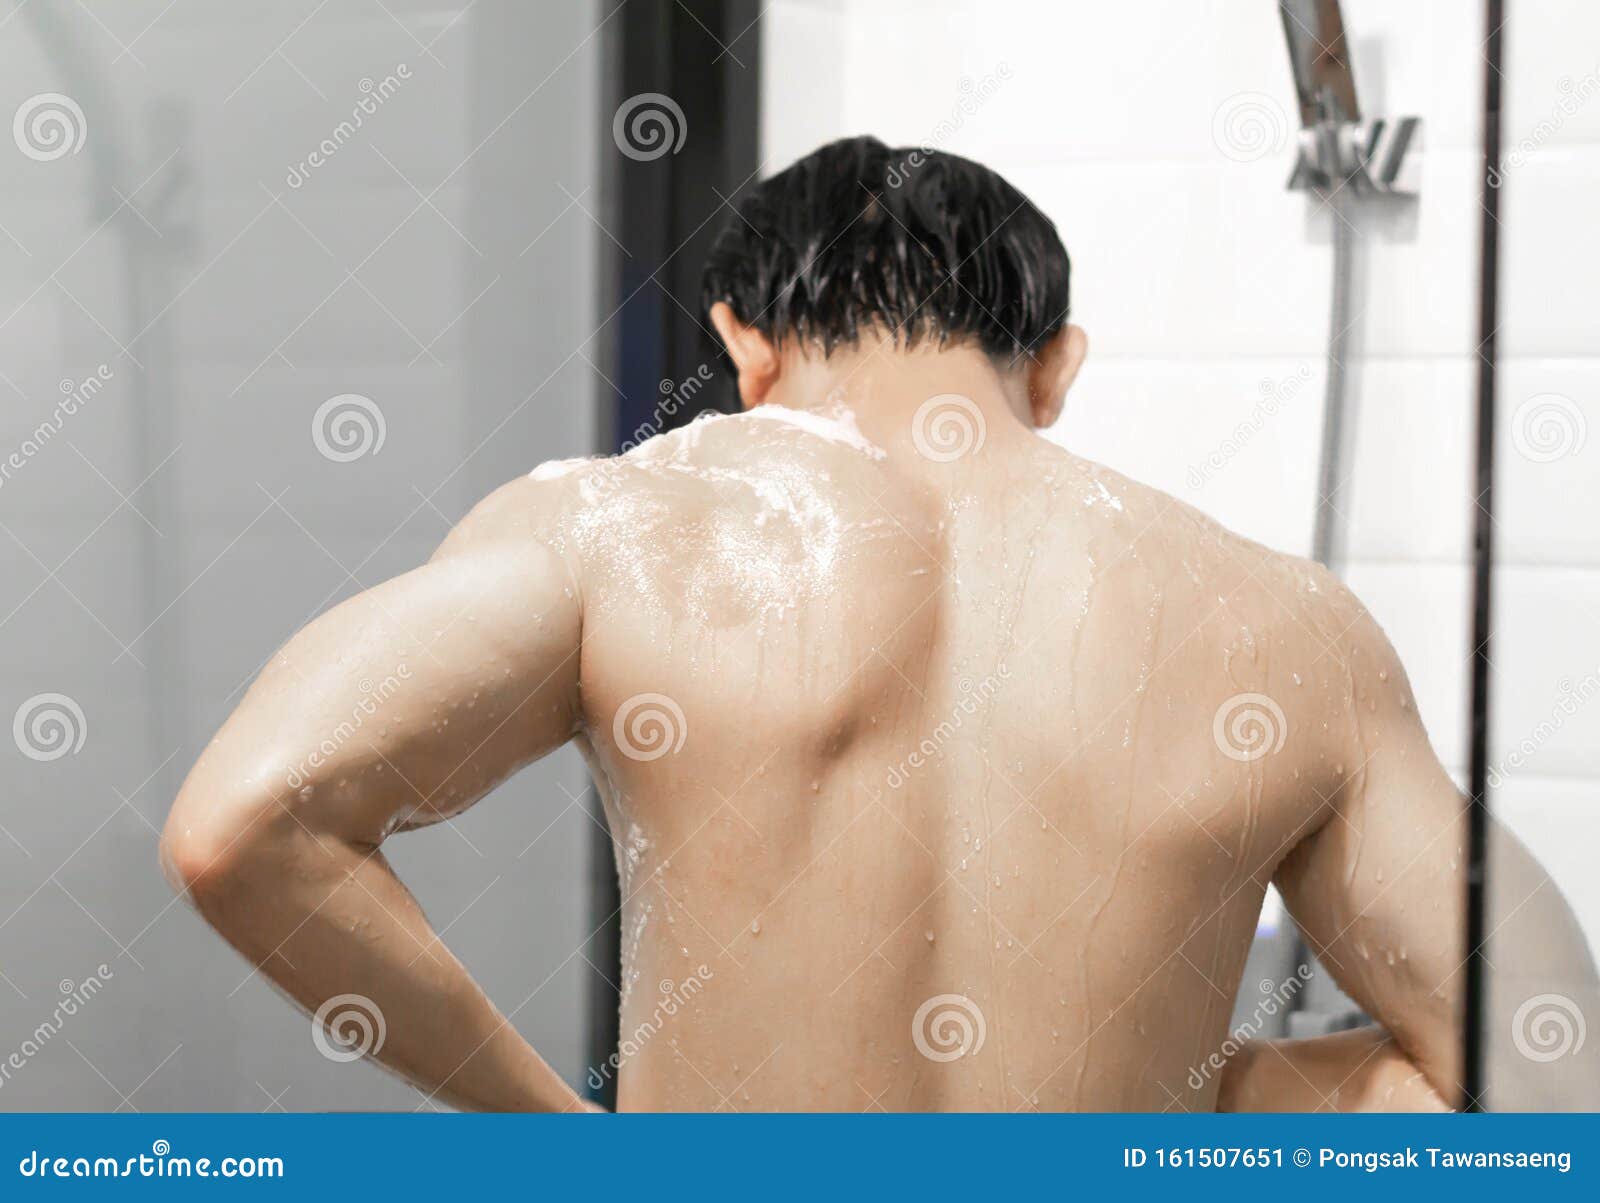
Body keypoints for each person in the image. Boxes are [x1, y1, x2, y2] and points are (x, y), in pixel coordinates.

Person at [160, 136, 1595, 1112]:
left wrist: (556, 1143)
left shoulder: (617, 532)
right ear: (1057, 365)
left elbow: (243, 825)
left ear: (742, 344)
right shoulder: (1287, 627)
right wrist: (1172, 1099)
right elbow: (1547, 1075)